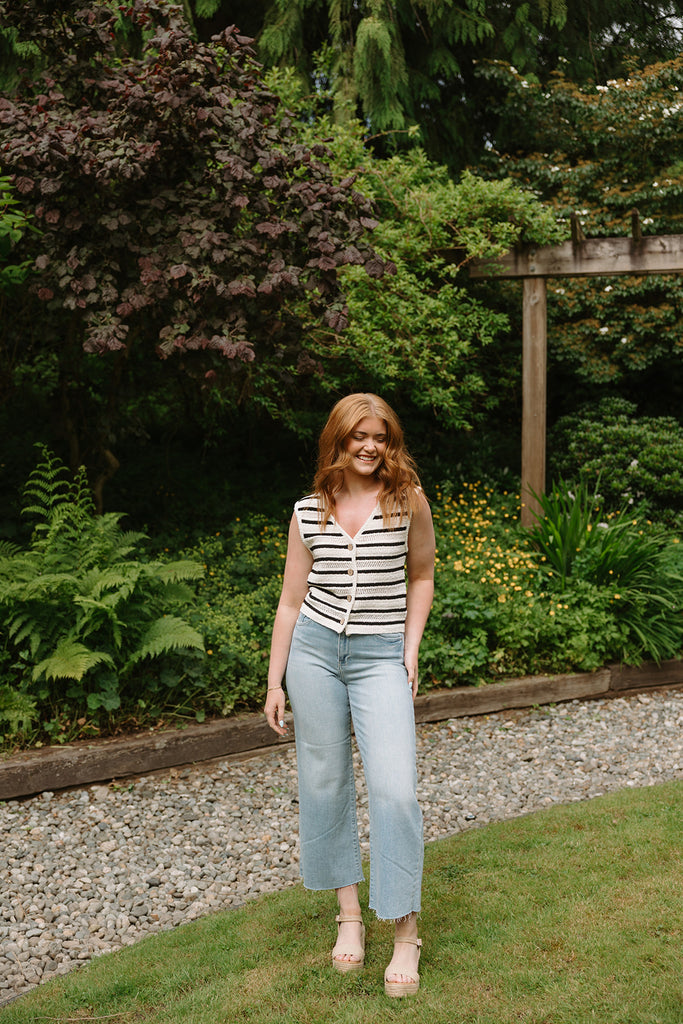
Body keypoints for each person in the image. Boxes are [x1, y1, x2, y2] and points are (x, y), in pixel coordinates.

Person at [264, 393, 435, 998]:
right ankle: (349, 916)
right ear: (337, 440)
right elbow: (290, 601)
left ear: (391, 444)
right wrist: (275, 680)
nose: (370, 446)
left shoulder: (408, 500)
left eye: (380, 437)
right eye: (359, 436)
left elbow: (422, 575)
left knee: (395, 788)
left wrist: (410, 649)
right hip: (313, 654)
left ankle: (406, 932)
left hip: (380, 655)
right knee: (325, 781)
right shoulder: (308, 510)